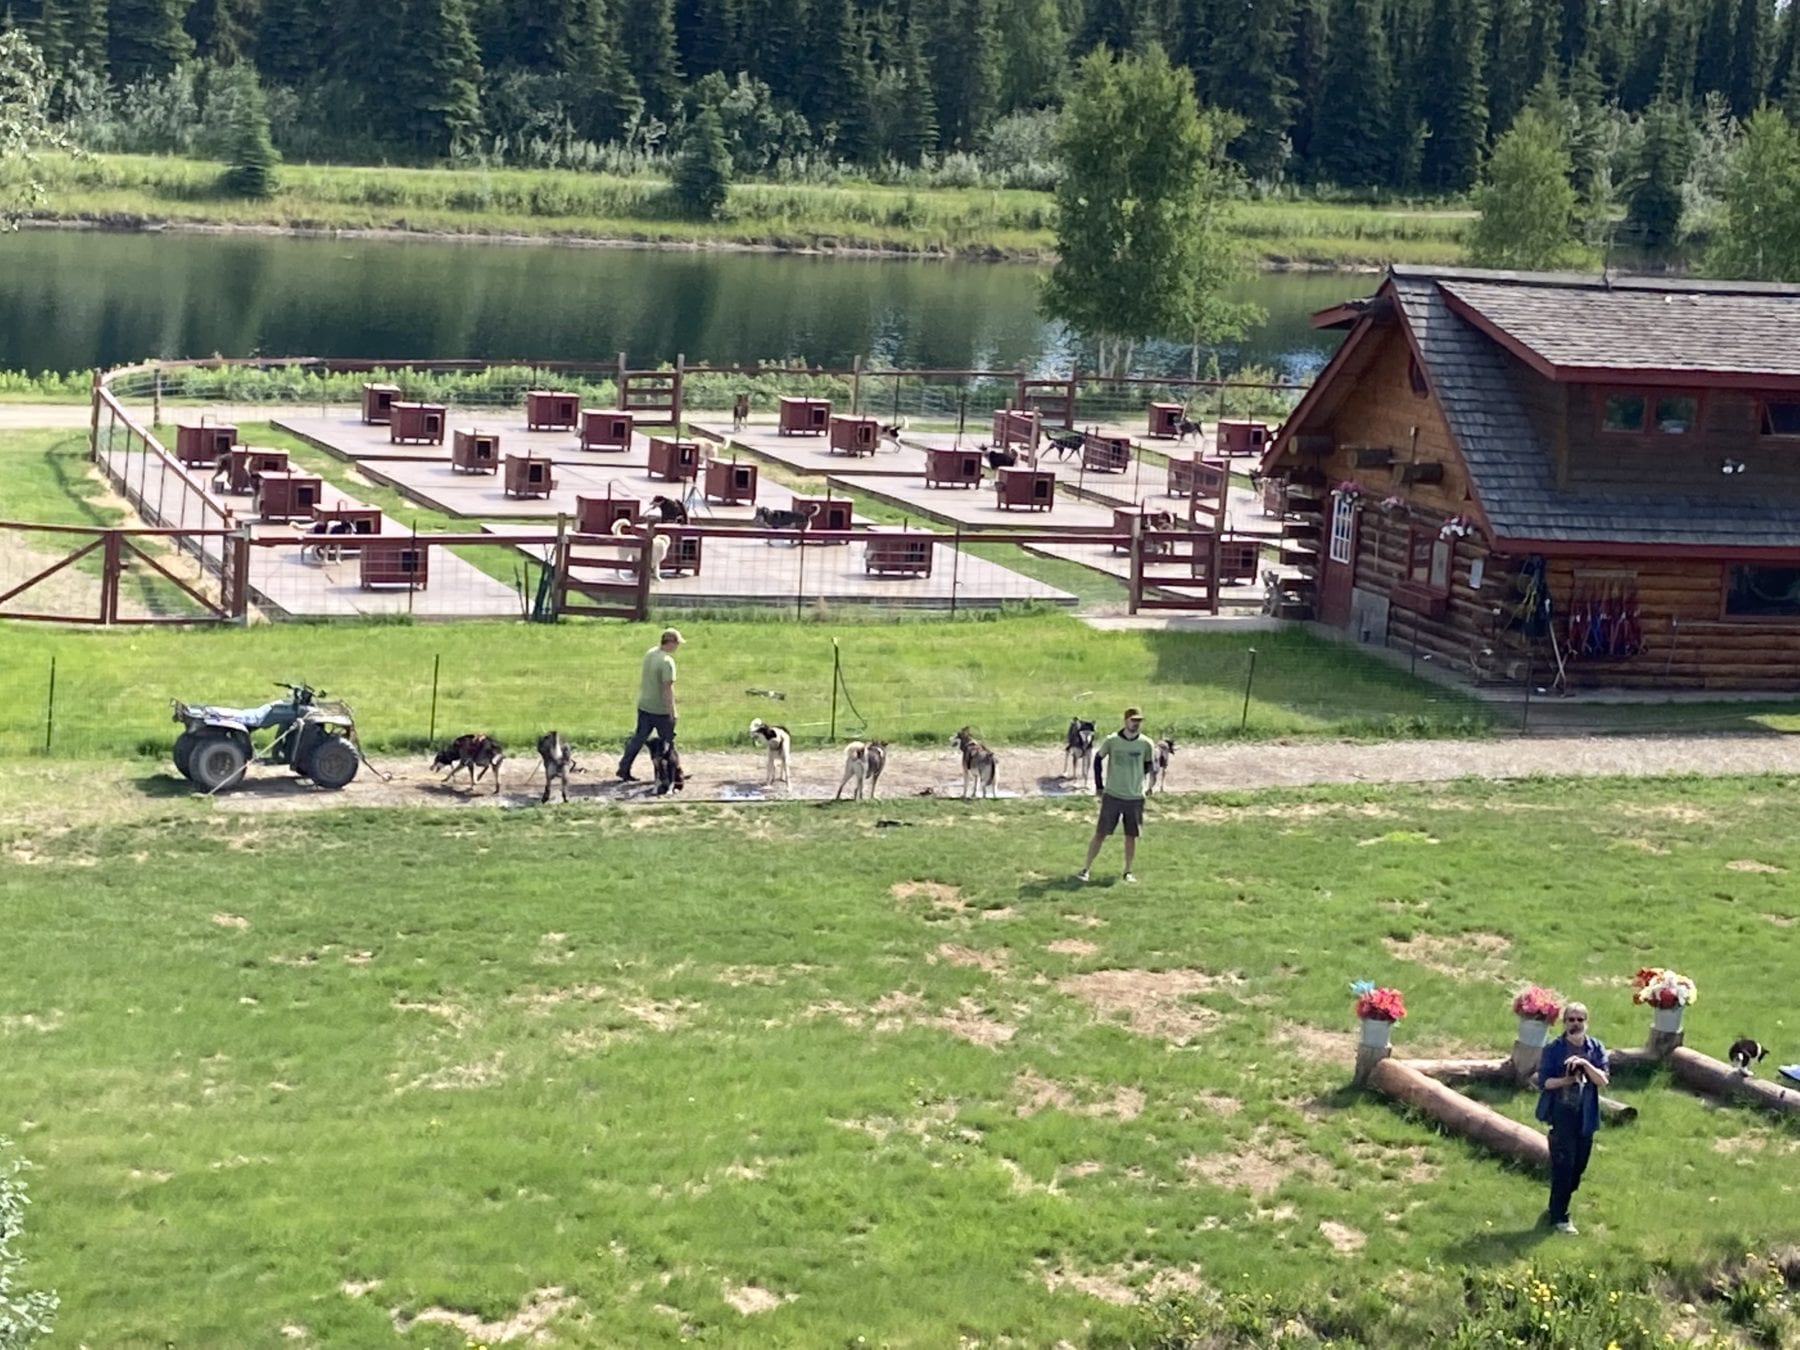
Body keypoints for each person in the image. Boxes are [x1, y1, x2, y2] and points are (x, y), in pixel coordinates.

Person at [1534, 1001, 1609, 1235]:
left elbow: (1603, 1080)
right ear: (1564, 1023)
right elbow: (1544, 1082)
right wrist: (1566, 1080)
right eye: (1571, 1020)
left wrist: (1585, 1064)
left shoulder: (1595, 1047)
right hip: (1561, 1113)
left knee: (1578, 1167)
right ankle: (1560, 1216)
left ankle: (1556, 1205)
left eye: (1580, 1020)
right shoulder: (1554, 1049)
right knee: (1563, 1166)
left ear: (1586, 1022)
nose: (1575, 1024)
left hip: (1585, 1115)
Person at [1076, 707, 1155, 883]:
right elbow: (1098, 759)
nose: (1136, 724)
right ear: (1125, 721)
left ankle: (1128, 871)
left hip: (1134, 797)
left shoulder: (1146, 743)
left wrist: (1143, 782)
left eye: (1139, 721)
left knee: (1131, 836)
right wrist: (1099, 786)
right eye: (1133, 720)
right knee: (1101, 833)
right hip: (1113, 795)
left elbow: (1149, 765)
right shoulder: (1112, 741)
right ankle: (1085, 869)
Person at [617, 628, 683, 783]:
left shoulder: (650, 653)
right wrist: (672, 711)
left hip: (645, 705)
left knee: (638, 739)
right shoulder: (667, 662)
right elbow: (667, 689)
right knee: (667, 742)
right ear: (671, 642)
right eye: (677, 643)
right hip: (660, 710)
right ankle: (673, 773)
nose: (678, 647)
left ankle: (624, 768)